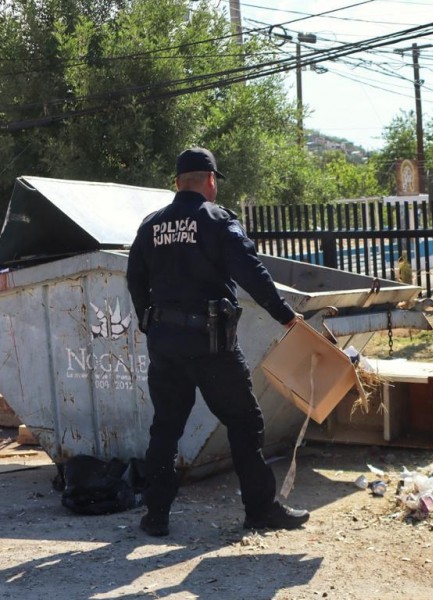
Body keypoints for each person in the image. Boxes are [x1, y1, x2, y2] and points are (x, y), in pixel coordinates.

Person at [126, 147, 309, 537]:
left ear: (178, 183)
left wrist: (150, 322)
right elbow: (252, 273)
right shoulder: (217, 220)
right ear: (210, 181)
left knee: (166, 428)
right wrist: (286, 316)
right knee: (244, 421)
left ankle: (155, 515)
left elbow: (135, 279)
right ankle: (260, 510)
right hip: (211, 344)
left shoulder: (150, 225)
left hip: (166, 343)